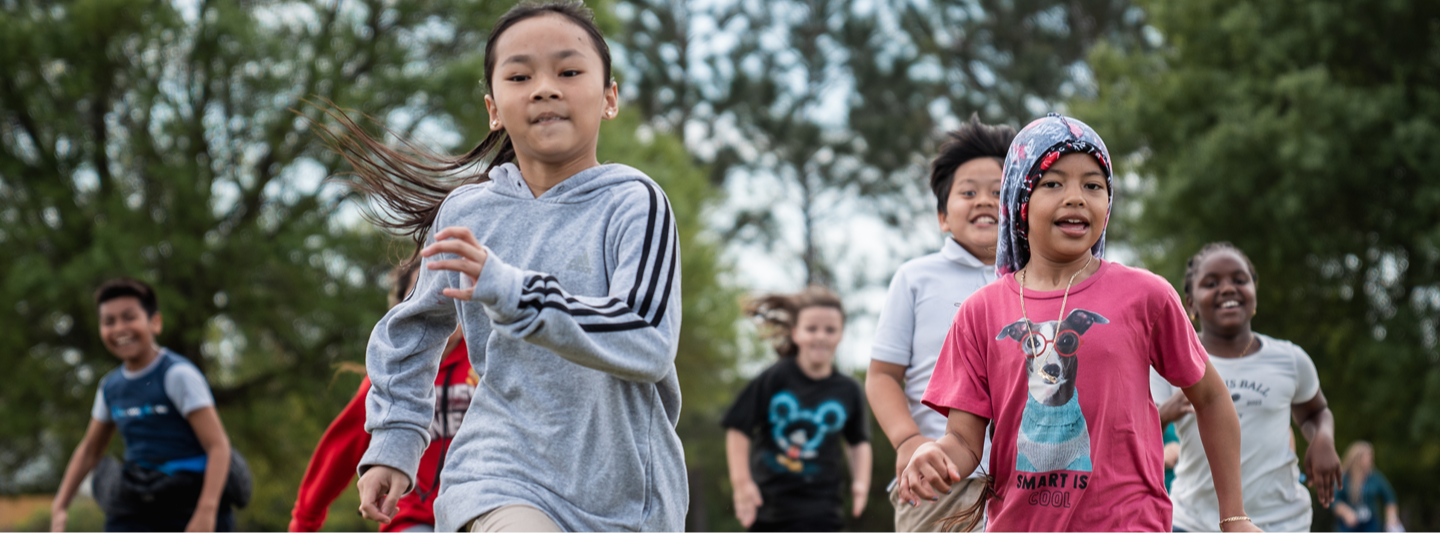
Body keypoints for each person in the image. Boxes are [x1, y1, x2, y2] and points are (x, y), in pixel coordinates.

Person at [329, 2, 687, 532]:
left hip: (625, 500)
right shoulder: (468, 213)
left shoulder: (635, 203)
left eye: (568, 71)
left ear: (609, 98)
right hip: (497, 473)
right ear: (494, 108)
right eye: (520, 76)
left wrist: (516, 294)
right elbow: (416, 327)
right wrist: (394, 438)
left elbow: (647, 337)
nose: (545, 88)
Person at [899, 114, 1259, 532]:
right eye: (1053, 183)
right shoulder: (980, 313)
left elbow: (1212, 399)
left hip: (1129, 523)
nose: (1076, 197)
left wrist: (1234, 518)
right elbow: (963, 440)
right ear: (1019, 200)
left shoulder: (1147, 296)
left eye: (1093, 185)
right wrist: (937, 456)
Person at [866, 115, 1014, 532]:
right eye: (969, 192)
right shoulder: (916, 278)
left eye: (999, 192)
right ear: (942, 216)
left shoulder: (1036, 284)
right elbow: (881, 376)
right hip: (937, 479)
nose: (985, 200)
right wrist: (908, 440)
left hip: (1025, 482)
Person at [1153, 242, 1342, 533]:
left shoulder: (1289, 359)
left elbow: (1315, 412)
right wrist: (1166, 412)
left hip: (1281, 522)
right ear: (1190, 304)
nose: (1228, 288)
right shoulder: (1171, 361)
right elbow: (1135, 431)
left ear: (1255, 293)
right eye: (1211, 283)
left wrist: (1323, 439)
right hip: (1193, 522)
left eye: (1240, 280)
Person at [289, 262, 474, 533]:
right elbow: (338, 452)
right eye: (425, 294)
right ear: (401, 308)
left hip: (480, 511)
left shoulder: (484, 361)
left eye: (449, 291)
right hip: (413, 520)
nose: (439, 303)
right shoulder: (389, 380)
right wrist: (303, 524)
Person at [51, 278, 235, 533]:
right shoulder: (110, 387)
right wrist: (60, 506)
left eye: (129, 317)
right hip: (138, 502)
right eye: (109, 322)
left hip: (190, 500)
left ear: (155, 322)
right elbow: (90, 450)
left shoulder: (177, 375)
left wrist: (206, 513)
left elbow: (218, 446)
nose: (119, 329)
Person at [724, 286, 871, 532]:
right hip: (769, 509)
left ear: (841, 334)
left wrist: (860, 483)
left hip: (823, 511)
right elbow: (738, 428)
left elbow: (858, 442)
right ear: (795, 333)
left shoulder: (849, 389)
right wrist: (741, 484)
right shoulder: (775, 377)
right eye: (811, 328)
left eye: (830, 329)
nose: (821, 336)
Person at [1334, 442, 1402, 533]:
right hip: (1348, 525)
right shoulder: (1344, 478)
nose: (1371, 459)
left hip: (1370, 524)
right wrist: (1346, 512)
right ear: (1357, 458)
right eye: (1367, 456)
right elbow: (1334, 500)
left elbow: (1390, 497)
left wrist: (1391, 517)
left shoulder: (1375, 477)